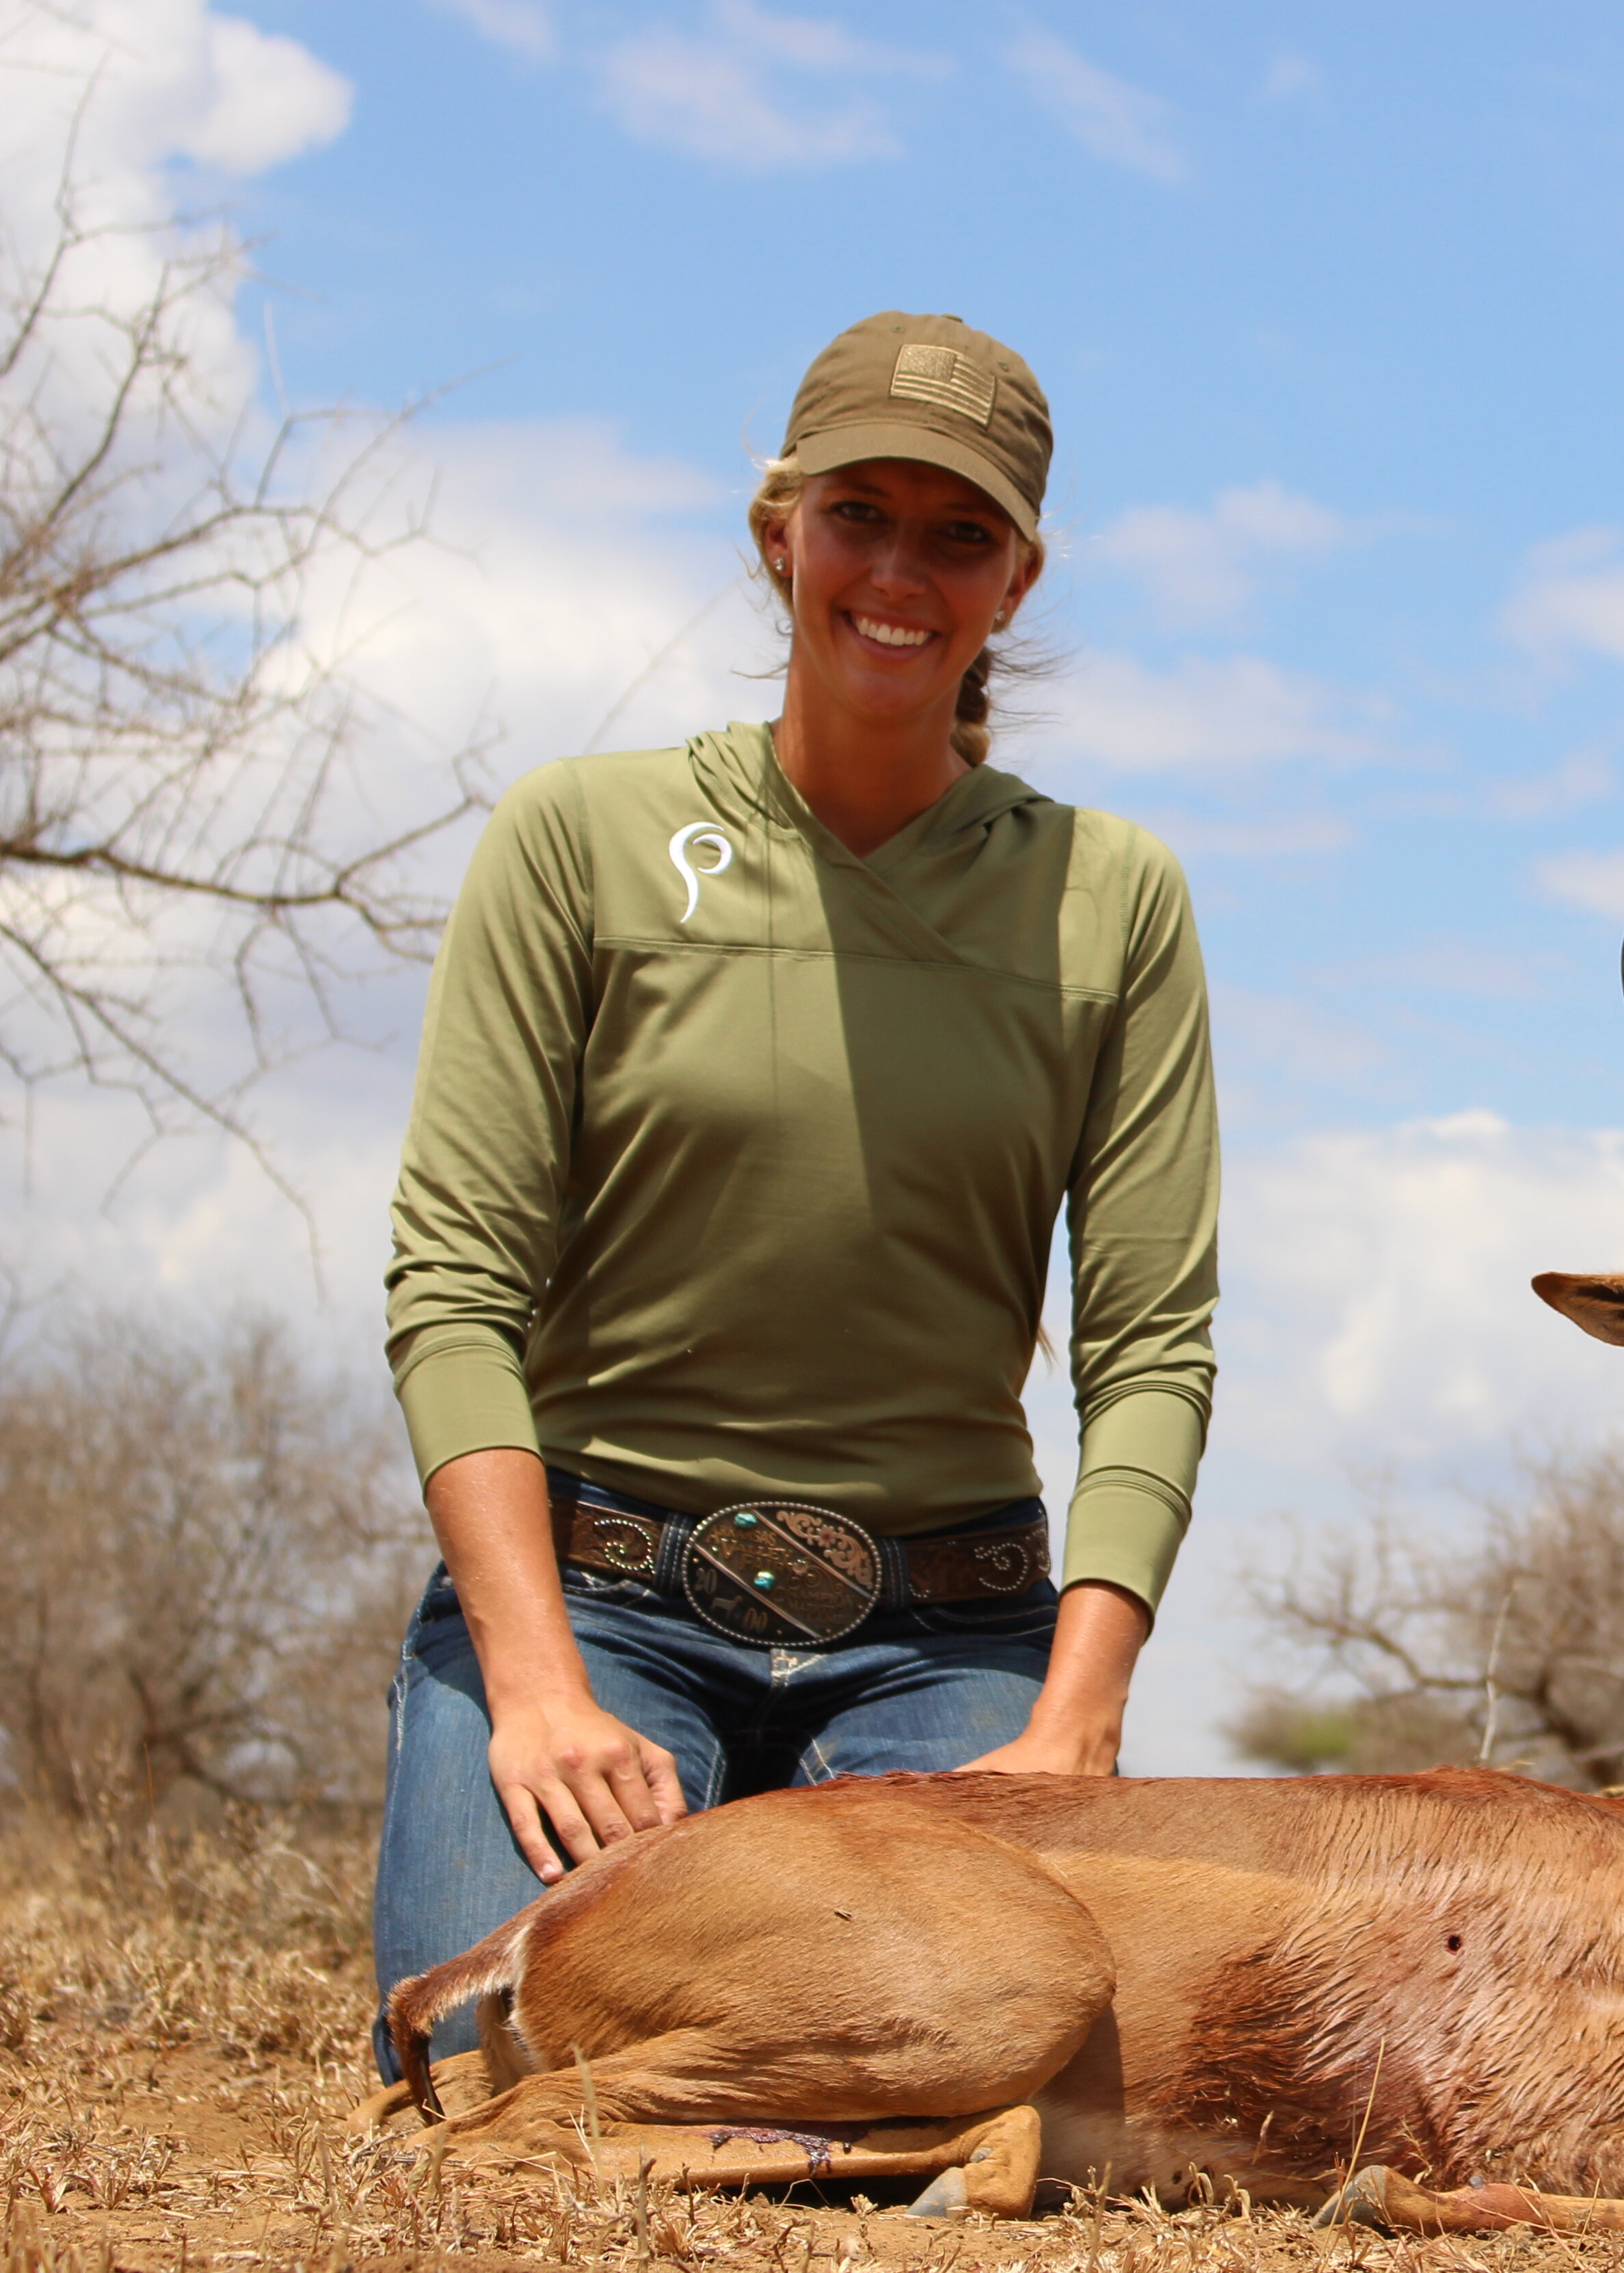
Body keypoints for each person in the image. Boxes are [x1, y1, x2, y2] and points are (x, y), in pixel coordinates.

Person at [372, 313, 1219, 2075]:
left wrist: (1073, 1720)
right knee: (489, 2081)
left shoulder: (1112, 899)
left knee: (1007, 2073)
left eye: (958, 534)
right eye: (860, 515)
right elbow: (454, 1290)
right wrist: (534, 1690)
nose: (900, 572)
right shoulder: (579, 839)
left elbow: (1151, 1348)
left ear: (1017, 579)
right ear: (780, 535)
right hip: (599, 1606)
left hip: (945, 1643)